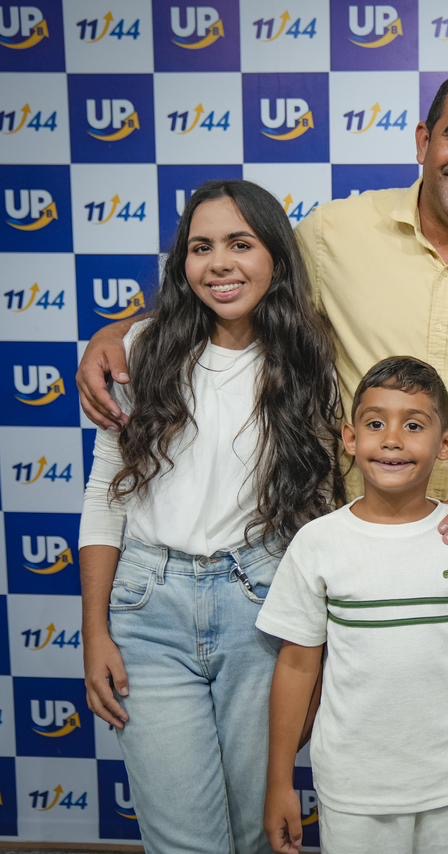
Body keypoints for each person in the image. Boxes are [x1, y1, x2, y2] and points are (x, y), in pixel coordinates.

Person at [75, 68, 448, 657]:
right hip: (339, 557)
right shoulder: (337, 232)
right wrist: (122, 332)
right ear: (423, 140)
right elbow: (238, 284)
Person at [78, 180, 345, 853]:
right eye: (201, 247)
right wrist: (94, 632)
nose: (220, 263)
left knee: (256, 831)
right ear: (183, 262)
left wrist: (317, 646)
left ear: (276, 256)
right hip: (148, 612)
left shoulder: (311, 360)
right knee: (183, 839)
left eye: (240, 244)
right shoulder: (140, 349)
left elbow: (322, 512)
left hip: (263, 609)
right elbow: (106, 495)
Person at [259, 357, 448, 854]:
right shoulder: (319, 543)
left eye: (414, 425)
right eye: (375, 424)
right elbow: (297, 666)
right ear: (350, 438)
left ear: (447, 444)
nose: (393, 440)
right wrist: (279, 781)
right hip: (354, 792)